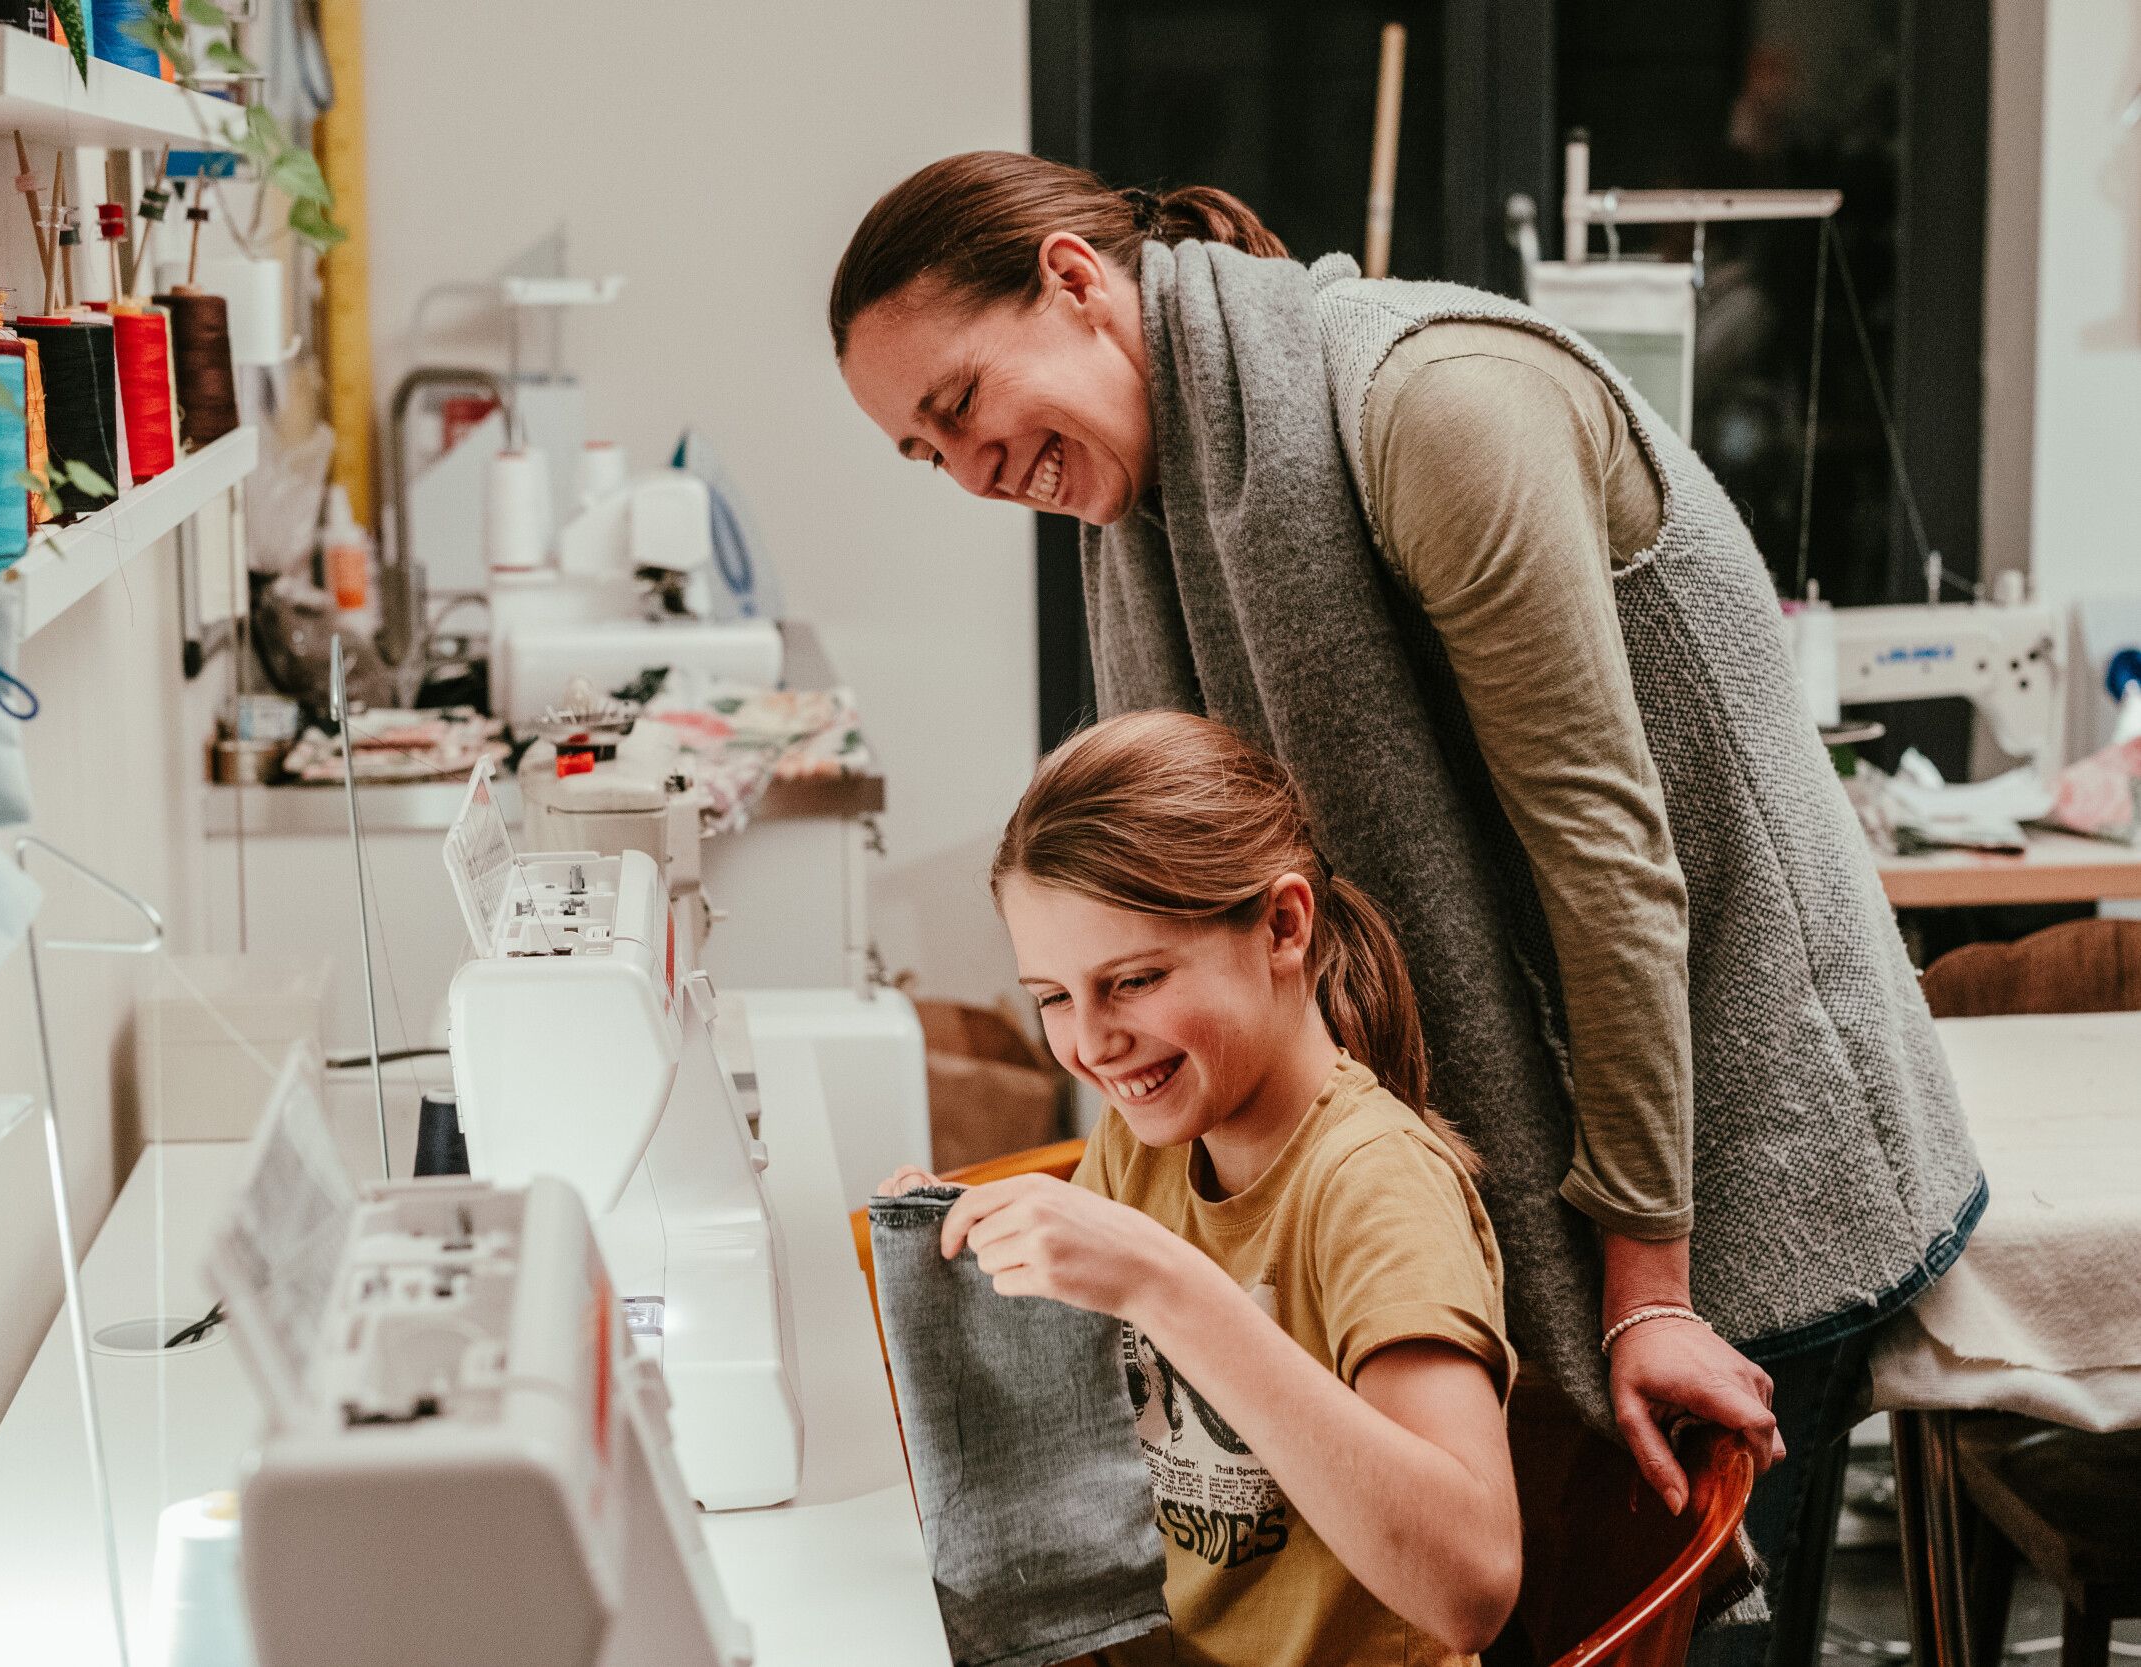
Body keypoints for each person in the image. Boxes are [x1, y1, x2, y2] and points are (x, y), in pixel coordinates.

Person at [832, 152, 1984, 1667]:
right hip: (1559, 1132)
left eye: (966, 404)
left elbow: (1610, 858)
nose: (975, 471)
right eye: (929, 454)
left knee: (1681, 1626)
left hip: (1742, 1127)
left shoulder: (1430, 409)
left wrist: (1645, 1286)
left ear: (1071, 277)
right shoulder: (1160, 514)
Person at [882, 710, 1522, 1667]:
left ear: (1283, 925)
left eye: (1133, 980)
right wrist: (974, 1273)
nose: (1090, 1044)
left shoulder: (1372, 1185)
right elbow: (1095, 1437)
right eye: (1054, 996)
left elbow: (1471, 1587)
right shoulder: (1146, 1144)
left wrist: (1164, 1284)